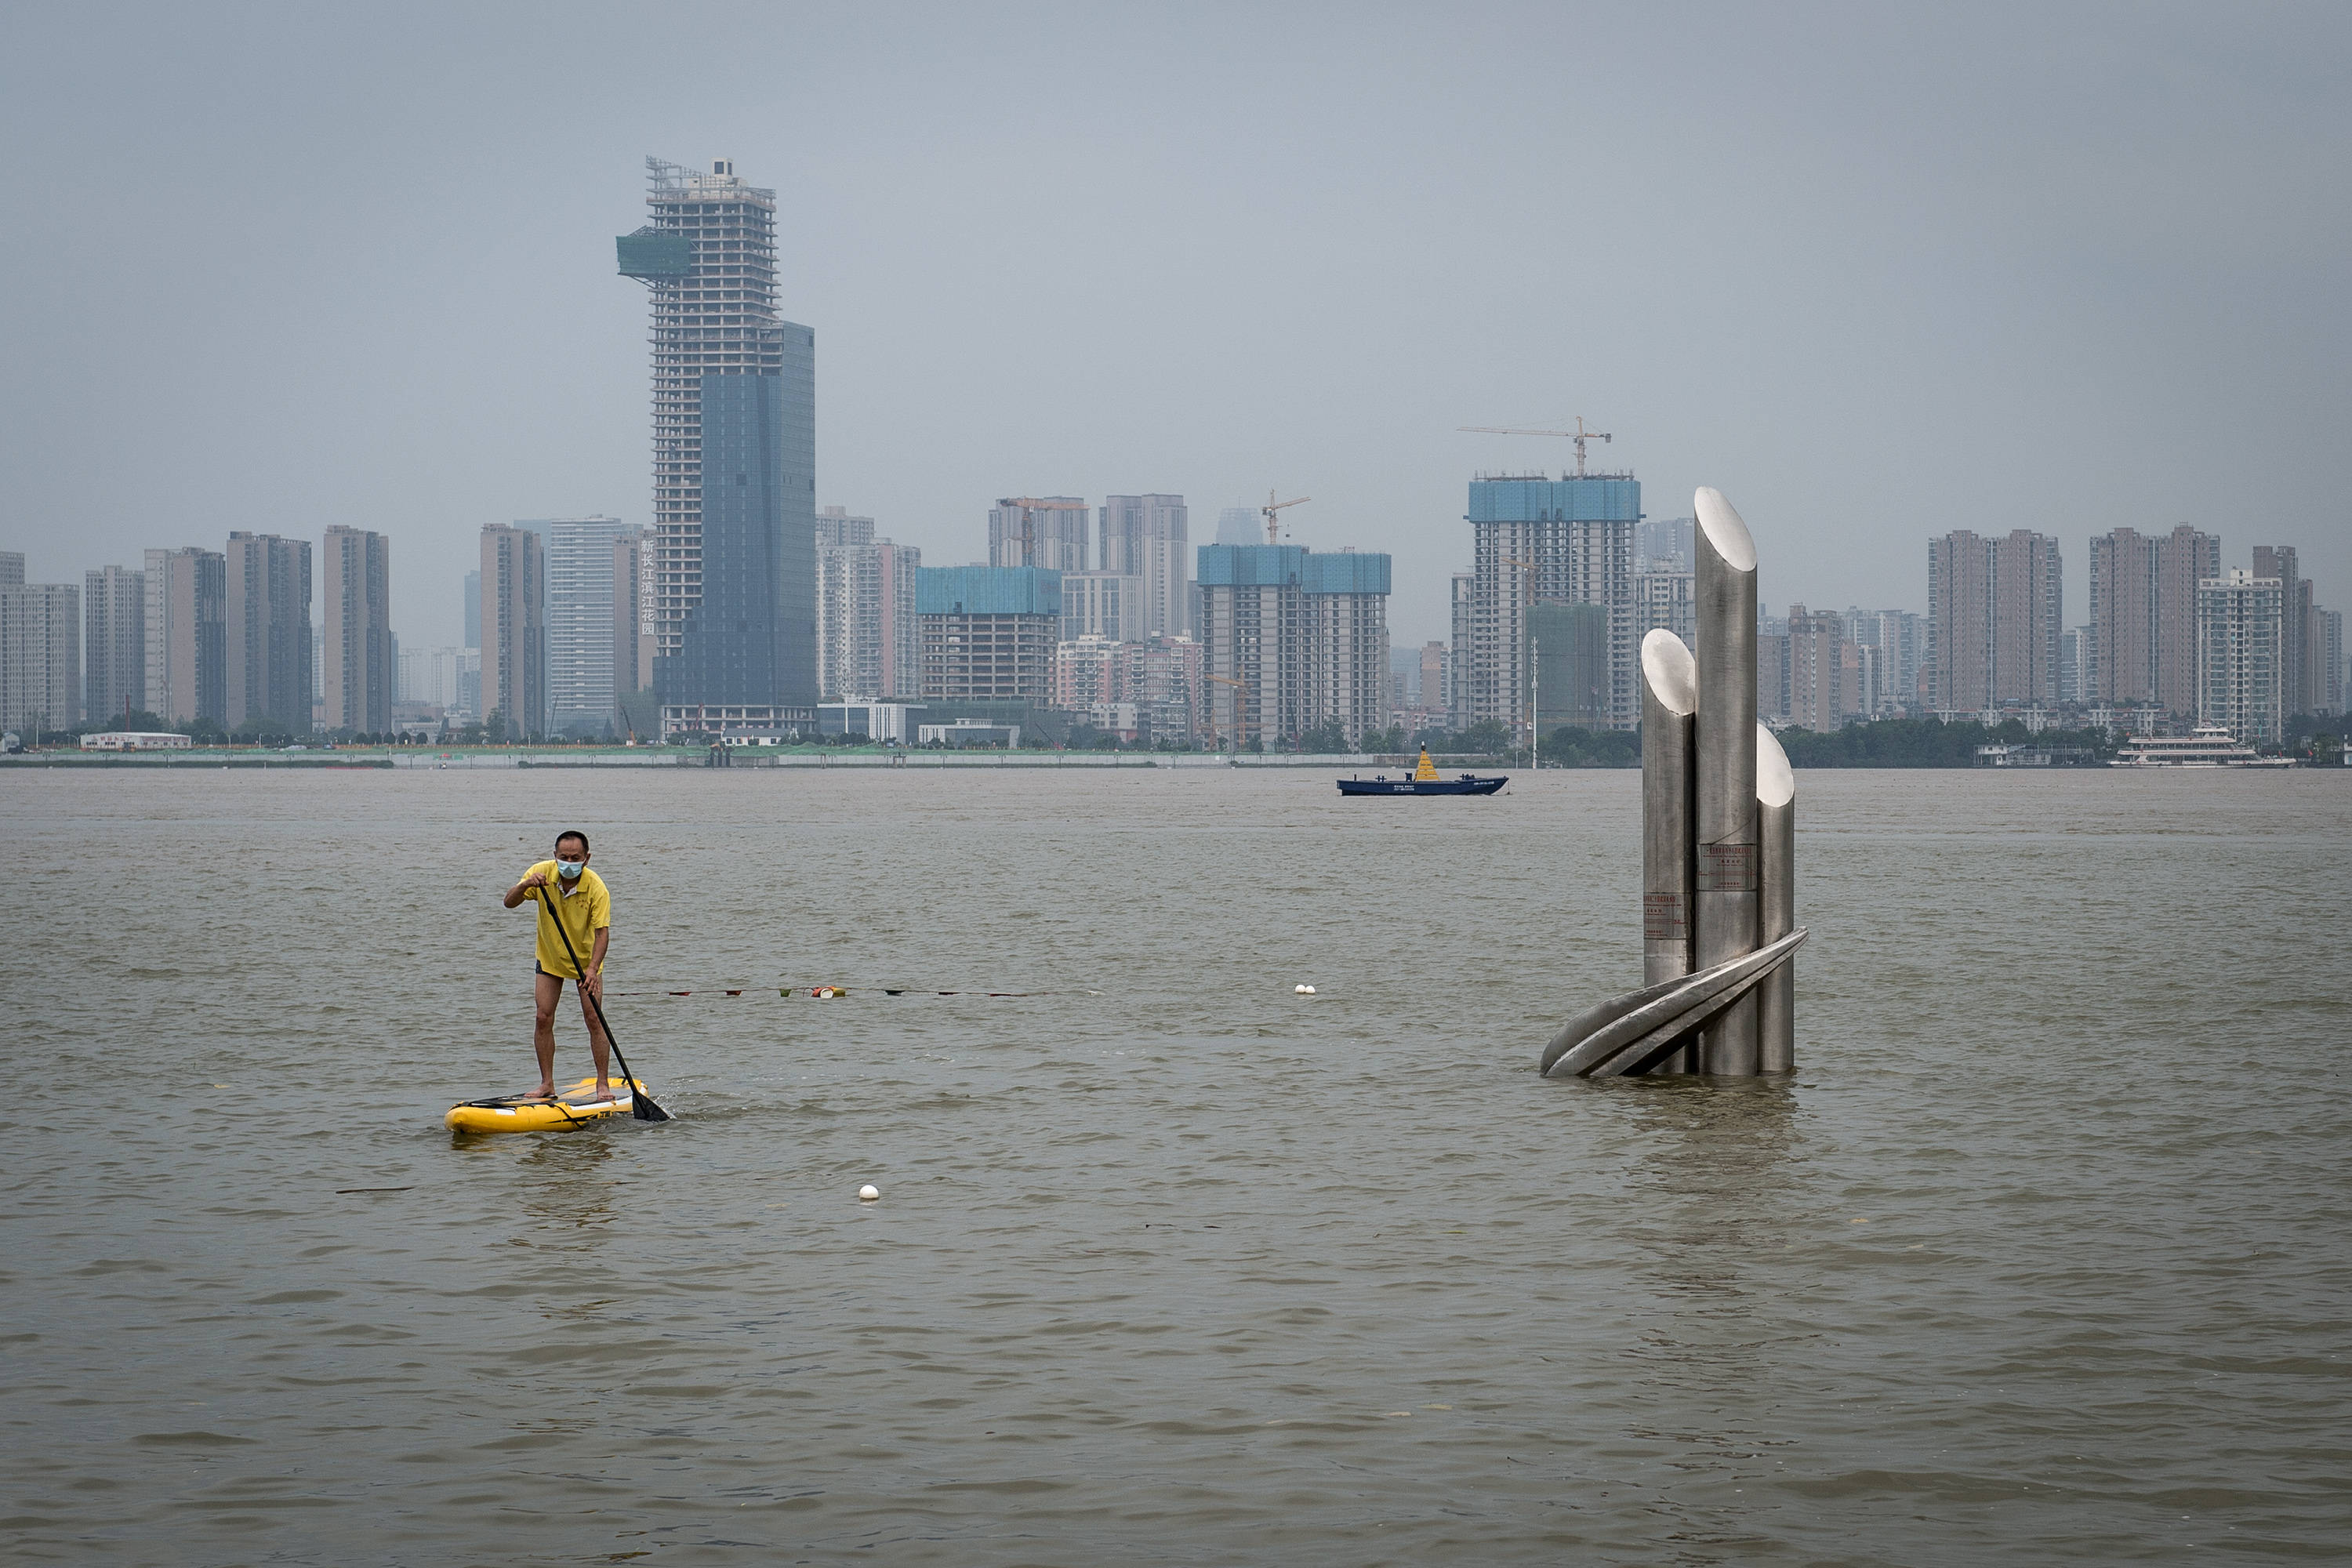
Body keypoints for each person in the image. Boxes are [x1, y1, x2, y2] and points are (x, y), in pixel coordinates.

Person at [502, 830, 613, 1103]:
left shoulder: (596, 887)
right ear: (555, 856)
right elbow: (509, 902)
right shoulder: (541, 873)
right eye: (563, 857)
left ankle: (602, 1084)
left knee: (594, 1019)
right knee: (543, 1018)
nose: (569, 862)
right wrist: (526, 884)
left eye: (575, 857)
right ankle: (547, 1084)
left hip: (585, 963)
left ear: (587, 859)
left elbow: (602, 933)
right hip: (550, 959)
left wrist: (592, 969)